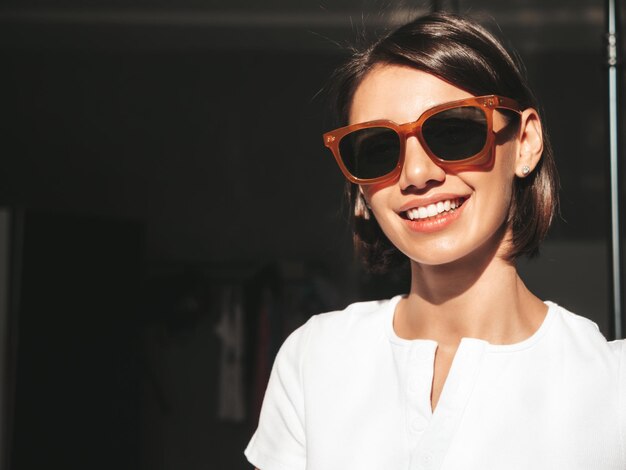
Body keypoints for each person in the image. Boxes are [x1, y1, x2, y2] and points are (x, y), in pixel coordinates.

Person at [244, 12, 626, 470]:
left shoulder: (611, 388)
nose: (417, 174)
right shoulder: (316, 359)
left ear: (524, 143)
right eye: (379, 147)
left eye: (453, 131)